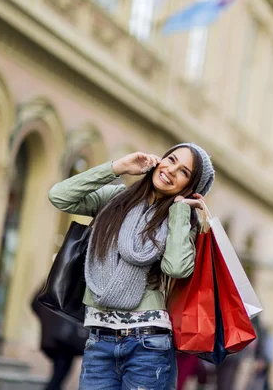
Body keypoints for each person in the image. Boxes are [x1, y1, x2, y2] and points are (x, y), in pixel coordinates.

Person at [48, 144, 215, 390]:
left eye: (183, 172)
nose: (170, 170)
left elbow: (177, 269)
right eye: (171, 159)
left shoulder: (179, 222)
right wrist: (118, 167)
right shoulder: (114, 199)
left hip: (148, 346)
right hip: (99, 341)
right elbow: (60, 196)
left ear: (190, 188)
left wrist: (180, 211)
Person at [31, 287, 88, 390]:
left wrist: (47, 321)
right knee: (57, 378)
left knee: (58, 375)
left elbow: (34, 303)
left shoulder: (49, 284)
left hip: (56, 338)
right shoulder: (71, 283)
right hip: (65, 339)